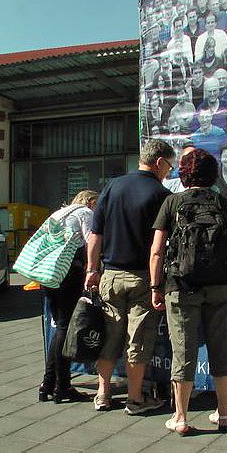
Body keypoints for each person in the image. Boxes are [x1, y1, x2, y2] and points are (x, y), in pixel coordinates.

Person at [150, 148, 227, 435]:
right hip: (220, 286)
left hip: (181, 286)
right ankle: (224, 414)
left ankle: (180, 418)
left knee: (183, 350)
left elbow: (157, 251)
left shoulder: (172, 202)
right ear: (213, 174)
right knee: (221, 348)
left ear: (184, 174)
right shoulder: (222, 203)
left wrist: (155, 287)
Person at [85, 139, 174, 414]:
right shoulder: (162, 194)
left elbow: (95, 235)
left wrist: (91, 270)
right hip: (143, 278)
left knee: (109, 336)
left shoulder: (113, 186)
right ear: (159, 162)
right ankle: (135, 399)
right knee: (139, 339)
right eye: (169, 167)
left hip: (110, 275)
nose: (168, 172)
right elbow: (163, 244)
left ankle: (103, 393)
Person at [38, 190, 98, 404]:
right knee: (65, 327)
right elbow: (92, 242)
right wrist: (94, 270)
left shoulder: (58, 214)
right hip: (69, 274)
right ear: (90, 202)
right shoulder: (85, 213)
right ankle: (63, 386)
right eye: (96, 204)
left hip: (49, 274)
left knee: (59, 328)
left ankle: (48, 383)